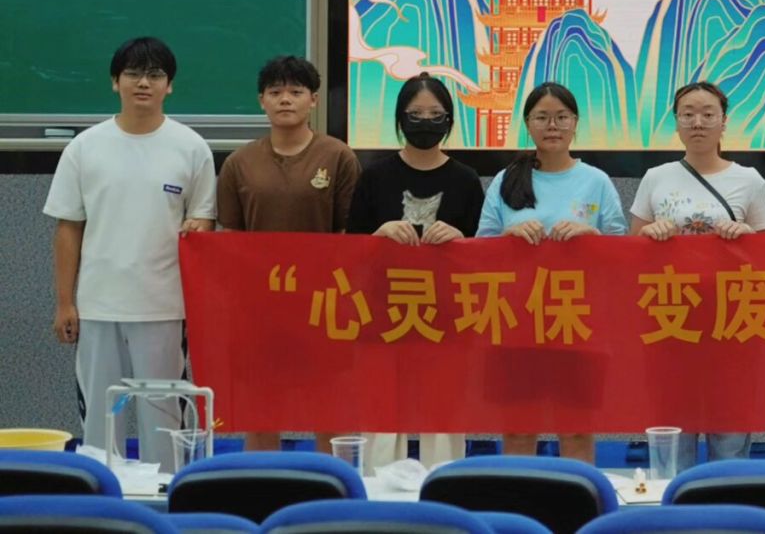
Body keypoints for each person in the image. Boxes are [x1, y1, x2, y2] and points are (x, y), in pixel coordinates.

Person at [45, 38, 216, 467]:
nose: (143, 83)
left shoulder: (191, 147)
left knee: (163, 418)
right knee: (101, 422)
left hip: (164, 305)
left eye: (155, 75)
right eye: (133, 74)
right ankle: (104, 492)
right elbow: (68, 229)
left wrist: (199, 229)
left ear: (169, 86)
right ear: (115, 82)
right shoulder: (85, 147)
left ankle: (168, 492)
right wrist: (65, 302)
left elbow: (203, 222)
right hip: (98, 305)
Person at [213, 55, 361, 452]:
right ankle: (262, 481)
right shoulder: (239, 163)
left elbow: (349, 235)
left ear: (314, 100)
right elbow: (231, 239)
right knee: (261, 410)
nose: (285, 99)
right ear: (261, 100)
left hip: (323, 302)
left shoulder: (338, 157)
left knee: (330, 407)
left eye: (296, 91)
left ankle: (335, 483)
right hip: (259, 305)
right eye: (275, 92)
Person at [478, 83, 625, 464]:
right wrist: (508, 237)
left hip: (577, 318)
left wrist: (591, 236)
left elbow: (623, 252)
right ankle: (518, 501)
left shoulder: (596, 181)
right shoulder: (506, 180)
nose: (552, 126)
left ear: (575, 122)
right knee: (518, 428)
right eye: (542, 117)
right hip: (516, 319)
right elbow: (479, 252)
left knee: (576, 428)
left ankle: (580, 499)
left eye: (561, 117)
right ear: (527, 123)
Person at [631, 81, 765, 467]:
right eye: (688, 114)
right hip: (670, 321)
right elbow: (631, 253)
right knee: (675, 437)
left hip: (731, 322)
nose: (697, 122)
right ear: (676, 122)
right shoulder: (655, 177)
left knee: (729, 439)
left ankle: (727, 505)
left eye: (708, 114)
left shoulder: (749, 180)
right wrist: (650, 234)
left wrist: (745, 236)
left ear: (724, 122)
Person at [348, 74, 484, 471]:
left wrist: (461, 239)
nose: (426, 122)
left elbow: (485, 255)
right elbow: (351, 250)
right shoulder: (374, 177)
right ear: (400, 118)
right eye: (416, 114)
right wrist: (379, 235)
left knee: (443, 419)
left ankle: (443, 488)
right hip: (383, 313)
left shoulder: (465, 180)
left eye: (435, 114)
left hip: (446, 316)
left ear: (449, 120)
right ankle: (378, 492)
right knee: (380, 417)